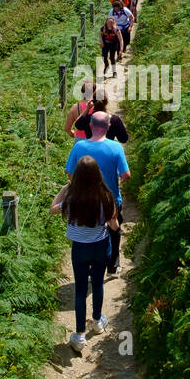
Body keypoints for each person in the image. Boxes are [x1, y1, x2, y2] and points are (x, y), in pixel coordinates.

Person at [51, 157, 119, 354]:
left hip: (80, 248)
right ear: (98, 174)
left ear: (77, 176)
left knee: (80, 290)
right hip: (100, 246)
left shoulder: (72, 199)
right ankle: (97, 322)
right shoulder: (106, 197)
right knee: (97, 284)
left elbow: (52, 209)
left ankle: (79, 335)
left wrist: (65, 189)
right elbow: (114, 226)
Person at [66, 111, 130, 275]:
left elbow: (69, 172)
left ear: (90, 126)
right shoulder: (115, 147)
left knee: (89, 228)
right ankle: (113, 265)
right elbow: (126, 175)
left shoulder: (79, 147)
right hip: (111, 198)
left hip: (84, 198)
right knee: (114, 229)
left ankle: (89, 264)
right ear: (109, 126)